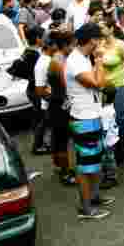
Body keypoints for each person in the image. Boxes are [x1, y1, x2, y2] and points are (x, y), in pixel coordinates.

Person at [65, 22, 115, 220]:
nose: (101, 44)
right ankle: (86, 208)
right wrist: (100, 60)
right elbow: (98, 83)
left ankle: (94, 197)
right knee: (86, 166)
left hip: (92, 116)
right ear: (92, 40)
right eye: (99, 40)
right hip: (83, 118)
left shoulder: (83, 58)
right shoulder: (76, 61)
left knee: (95, 161)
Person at [100, 23, 124, 166]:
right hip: (105, 89)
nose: (100, 30)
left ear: (111, 28)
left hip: (120, 86)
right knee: (109, 122)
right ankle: (117, 155)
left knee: (122, 120)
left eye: (103, 27)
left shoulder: (119, 45)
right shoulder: (99, 45)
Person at [47, 29, 76, 185]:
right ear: (65, 45)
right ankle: (65, 173)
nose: (74, 48)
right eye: (72, 45)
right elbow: (68, 86)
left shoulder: (62, 58)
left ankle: (63, 168)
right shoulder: (57, 62)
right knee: (62, 139)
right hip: (59, 105)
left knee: (61, 137)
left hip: (61, 102)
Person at [31, 33, 56, 154]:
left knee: (46, 123)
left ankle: (42, 145)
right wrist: (52, 100)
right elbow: (40, 89)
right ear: (50, 46)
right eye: (56, 44)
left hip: (50, 100)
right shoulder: (43, 63)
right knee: (45, 123)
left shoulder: (48, 59)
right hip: (49, 101)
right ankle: (38, 146)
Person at [99, 88, 120, 190]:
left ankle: (111, 178)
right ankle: (107, 176)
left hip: (107, 141)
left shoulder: (105, 112)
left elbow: (104, 129)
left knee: (108, 159)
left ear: (105, 97)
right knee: (109, 159)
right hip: (112, 139)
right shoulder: (110, 108)